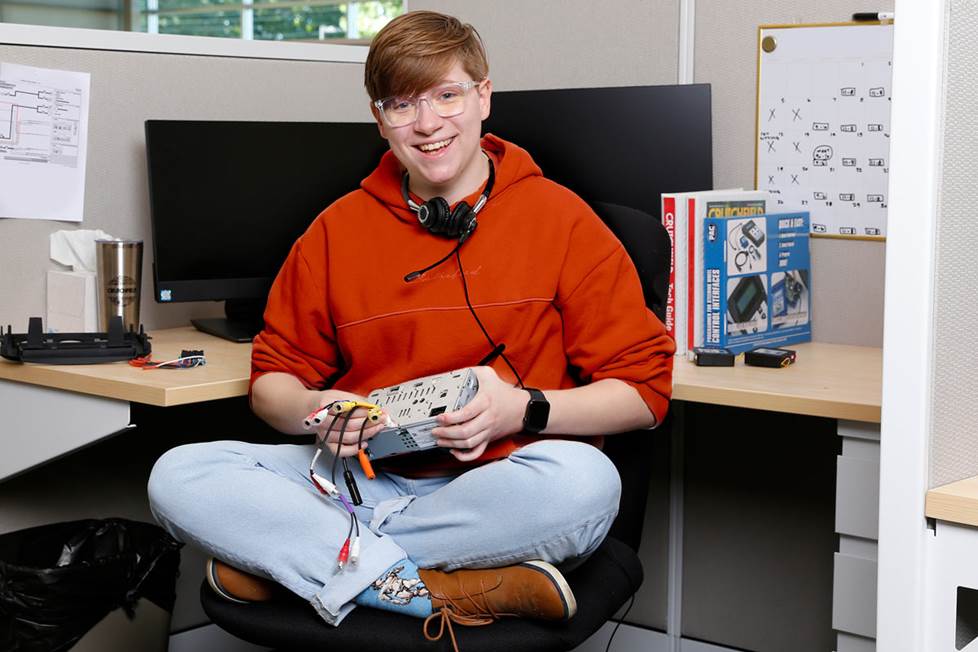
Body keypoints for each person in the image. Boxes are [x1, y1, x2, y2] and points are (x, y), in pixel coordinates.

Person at [147, 9, 674, 647]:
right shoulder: (335, 230)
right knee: (178, 476)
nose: (426, 125)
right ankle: (425, 588)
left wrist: (520, 410)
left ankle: (311, 564)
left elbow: (644, 395)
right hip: (354, 480)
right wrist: (317, 407)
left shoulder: (563, 219)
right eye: (401, 105)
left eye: (446, 96)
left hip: (496, 488)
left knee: (587, 485)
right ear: (379, 118)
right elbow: (271, 384)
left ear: (483, 96)